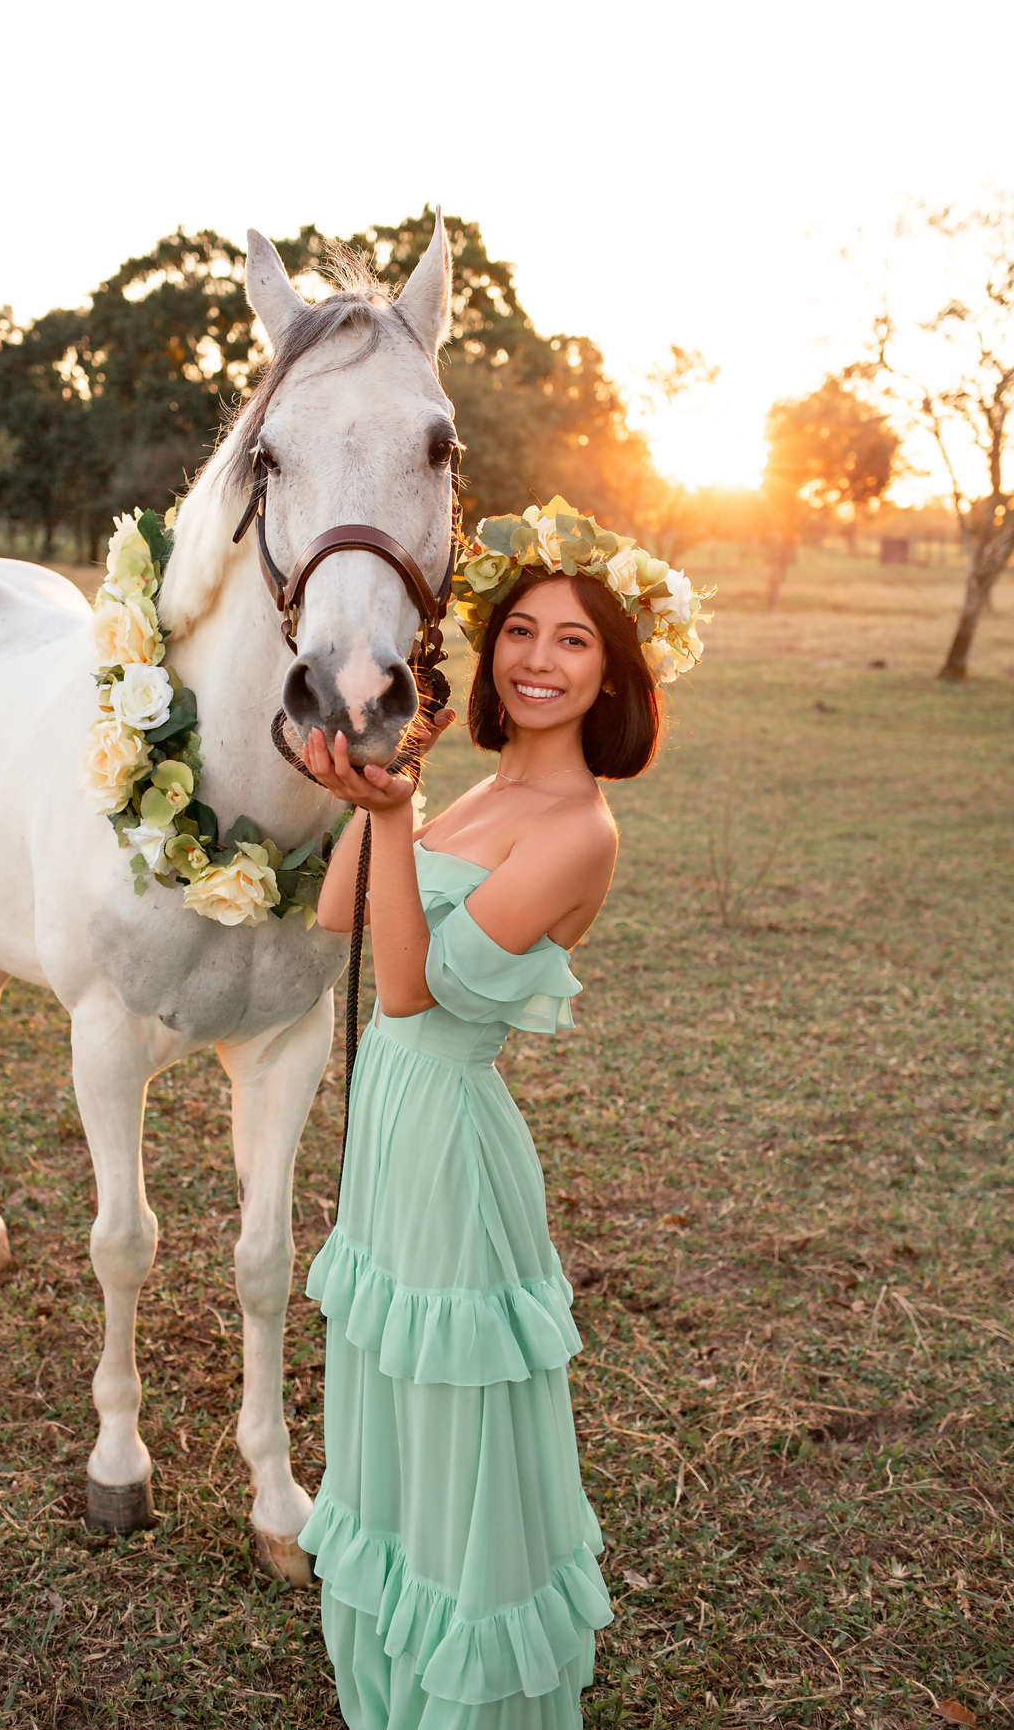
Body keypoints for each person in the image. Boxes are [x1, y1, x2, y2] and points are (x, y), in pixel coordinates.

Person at [298, 501, 704, 1729]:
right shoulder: (465, 794)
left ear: (615, 677)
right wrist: (379, 788)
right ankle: (393, 1675)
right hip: (389, 1117)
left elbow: (414, 986)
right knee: (394, 1392)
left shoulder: (581, 831)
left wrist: (390, 819)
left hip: (453, 1141)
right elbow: (338, 918)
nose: (537, 658)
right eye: (520, 630)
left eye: (574, 642)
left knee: (459, 1416)